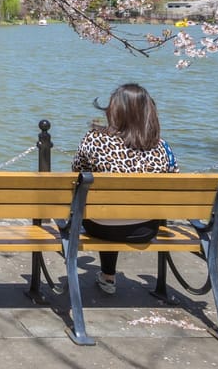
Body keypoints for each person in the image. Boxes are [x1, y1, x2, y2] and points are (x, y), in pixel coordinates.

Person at [71, 83, 177, 295]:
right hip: (144, 228)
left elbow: (76, 174)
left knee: (107, 209)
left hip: (99, 226)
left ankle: (108, 277)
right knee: (121, 209)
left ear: (114, 110)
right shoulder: (161, 147)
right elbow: (173, 183)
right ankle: (108, 276)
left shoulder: (94, 140)